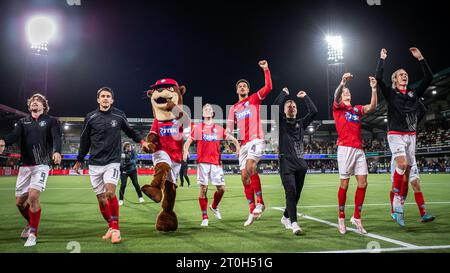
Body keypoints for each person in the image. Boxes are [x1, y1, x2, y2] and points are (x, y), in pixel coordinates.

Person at [73, 87, 149, 244]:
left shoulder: (119, 115)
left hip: (112, 162)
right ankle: (110, 226)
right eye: (103, 96)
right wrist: (79, 159)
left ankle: (116, 230)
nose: (105, 98)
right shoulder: (91, 117)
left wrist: (142, 141)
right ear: (98, 99)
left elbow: (130, 131)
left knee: (110, 194)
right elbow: (84, 140)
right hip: (94, 164)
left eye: (108, 96)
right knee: (101, 199)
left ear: (112, 100)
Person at [376, 48, 435, 226]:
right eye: (401, 74)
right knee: (402, 165)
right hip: (395, 134)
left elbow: (429, 78)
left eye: (406, 74)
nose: (404, 76)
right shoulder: (391, 93)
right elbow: (379, 78)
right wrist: (382, 59)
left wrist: (421, 58)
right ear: (395, 79)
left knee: (409, 174)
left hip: (411, 136)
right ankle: (395, 203)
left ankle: (403, 204)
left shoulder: (412, 94)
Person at [0, 93, 62, 247]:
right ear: (29, 106)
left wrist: (57, 151)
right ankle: (30, 223)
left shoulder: (51, 121)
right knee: (20, 203)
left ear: (44, 106)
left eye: (38, 100)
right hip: (25, 165)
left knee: (33, 196)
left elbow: (56, 137)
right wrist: (3, 141)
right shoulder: (22, 122)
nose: (35, 102)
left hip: (42, 164)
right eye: (32, 101)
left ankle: (33, 233)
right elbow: (14, 136)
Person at [226, 59, 272, 226]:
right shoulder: (233, 109)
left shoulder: (254, 99)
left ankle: (260, 202)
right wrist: (228, 135)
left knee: (251, 166)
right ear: (236, 90)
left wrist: (266, 70)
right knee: (244, 177)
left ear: (248, 89)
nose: (242, 87)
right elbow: (230, 127)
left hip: (256, 139)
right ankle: (252, 209)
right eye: (240, 86)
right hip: (244, 143)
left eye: (245, 86)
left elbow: (268, 88)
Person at [333, 73, 378, 234]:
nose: (347, 93)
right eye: (344, 92)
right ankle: (341, 217)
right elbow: (336, 94)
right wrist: (342, 82)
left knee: (363, 183)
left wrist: (373, 89)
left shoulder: (356, 109)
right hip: (345, 149)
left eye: (348, 92)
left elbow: (372, 107)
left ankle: (357, 217)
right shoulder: (338, 108)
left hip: (358, 149)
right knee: (344, 184)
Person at [183, 104, 240, 227]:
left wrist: (237, 147)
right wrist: (186, 151)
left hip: (216, 163)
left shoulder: (219, 129)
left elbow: (233, 139)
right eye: (205, 110)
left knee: (222, 189)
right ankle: (204, 217)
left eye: (209, 109)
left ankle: (214, 206)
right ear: (203, 114)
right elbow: (188, 141)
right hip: (203, 163)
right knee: (203, 189)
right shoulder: (198, 128)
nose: (207, 111)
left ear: (213, 113)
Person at [273, 87, 317, 235]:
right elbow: (274, 107)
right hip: (286, 163)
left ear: (296, 110)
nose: (291, 108)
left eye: (293, 106)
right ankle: (294, 223)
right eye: (288, 106)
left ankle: (286, 217)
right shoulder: (281, 122)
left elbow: (314, 112)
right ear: (285, 111)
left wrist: (305, 97)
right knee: (290, 192)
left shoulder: (301, 124)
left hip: (300, 164)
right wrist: (283, 94)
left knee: (296, 194)